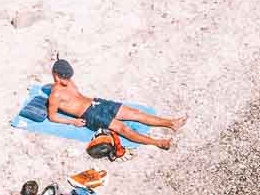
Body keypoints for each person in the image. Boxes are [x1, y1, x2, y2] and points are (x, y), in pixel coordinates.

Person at [43, 58, 182, 147]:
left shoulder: (68, 81)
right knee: (123, 128)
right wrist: (72, 122)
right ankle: (158, 142)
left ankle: (171, 123)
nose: (68, 80)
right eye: (65, 78)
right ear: (56, 75)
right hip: (90, 115)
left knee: (136, 113)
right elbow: (52, 116)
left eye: (69, 77)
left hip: (96, 103)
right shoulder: (55, 95)